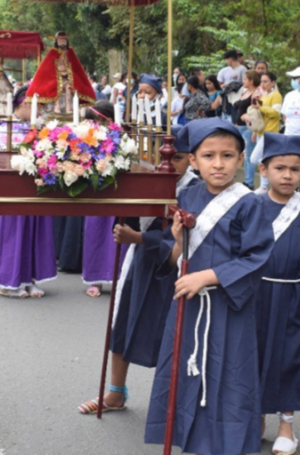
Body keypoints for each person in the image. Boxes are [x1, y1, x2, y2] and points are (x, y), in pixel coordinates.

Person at [144, 118, 273, 455]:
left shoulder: (250, 202)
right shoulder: (187, 194)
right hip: (188, 301)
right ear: (194, 160)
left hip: (228, 304)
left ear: (240, 159)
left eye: (227, 156)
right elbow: (180, 253)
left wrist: (209, 276)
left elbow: (257, 255)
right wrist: (177, 241)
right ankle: (189, 440)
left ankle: (227, 445)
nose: (218, 164)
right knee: (186, 368)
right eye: (209, 156)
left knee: (228, 375)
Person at [79, 124, 200, 415]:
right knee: (124, 320)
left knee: (176, 331)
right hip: (141, 260)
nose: (168, 163)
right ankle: (115, 392)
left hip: (180, 265)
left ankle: (181, 400)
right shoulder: (147, 178)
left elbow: (183, 236)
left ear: (193, 160)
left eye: (178, 157)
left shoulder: (195, 189)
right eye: (162, 156)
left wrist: (138, 237)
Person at [255, 133, 300, 455]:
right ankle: (254, 417)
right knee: (252, 356)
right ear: (263, 169)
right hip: (255, 295)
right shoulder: (252, 204)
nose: (287, 175)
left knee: (290, 358)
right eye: (280, 168)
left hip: (292, 295)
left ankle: (287, 425)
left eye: (295, 169)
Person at [0, 87, 56, 297]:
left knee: (35, 233)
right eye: (38, 106)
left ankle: (30, 279)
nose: (40, 111)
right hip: (12, 189)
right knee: (13, 234)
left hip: (36, 188)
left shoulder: (40, 129)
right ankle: (9, 282)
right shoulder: (3, 129)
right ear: (25, 103)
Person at [82, 101, 122, 297]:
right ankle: (95, 279)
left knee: (116, 233)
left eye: (96, 120)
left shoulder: (119, 137)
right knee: (95, 231)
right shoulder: (85, 138)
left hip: (116, 189)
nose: (93, 124)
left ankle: (117, 277)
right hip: (96, 190)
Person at [26, 31, 96, 113]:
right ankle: (57, 106)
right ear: (56, 42)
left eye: (64, 41)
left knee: (68, 88)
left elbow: (76, 67)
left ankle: (68, 107)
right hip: (54, 79)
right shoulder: (52, 52)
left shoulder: (70, 52)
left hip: (66, 78)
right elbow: (47, 68)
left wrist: (68, 71)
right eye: (60, 41)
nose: (62, 43)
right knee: (56, 87)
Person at [234, 69, 261, 188]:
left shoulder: (256, 94)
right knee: (242, 155)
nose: (243, 81)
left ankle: (249, 182)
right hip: (239, 126)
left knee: (249, 155)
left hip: (248, 127)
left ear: (251, 81)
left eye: (245, 79)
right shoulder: (244, 92)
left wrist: (247, 118)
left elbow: (257, 112)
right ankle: (246, 179)